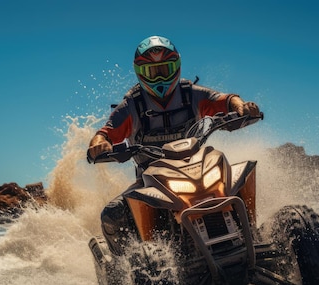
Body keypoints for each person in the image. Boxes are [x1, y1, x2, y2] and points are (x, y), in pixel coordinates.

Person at [87, 35, 261, 256]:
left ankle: (255, 236)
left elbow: (224, 100)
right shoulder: (132, 105)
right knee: (112, 214)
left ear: (176, 67)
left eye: (165, 69)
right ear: (140, 73)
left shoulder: (190, 94)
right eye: (152, 72)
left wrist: (242, 106)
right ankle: (128, 275)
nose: (160, 77)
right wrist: (99, 145)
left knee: (241, 174)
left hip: (198, 169)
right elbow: (105, 133)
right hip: (150, 182)